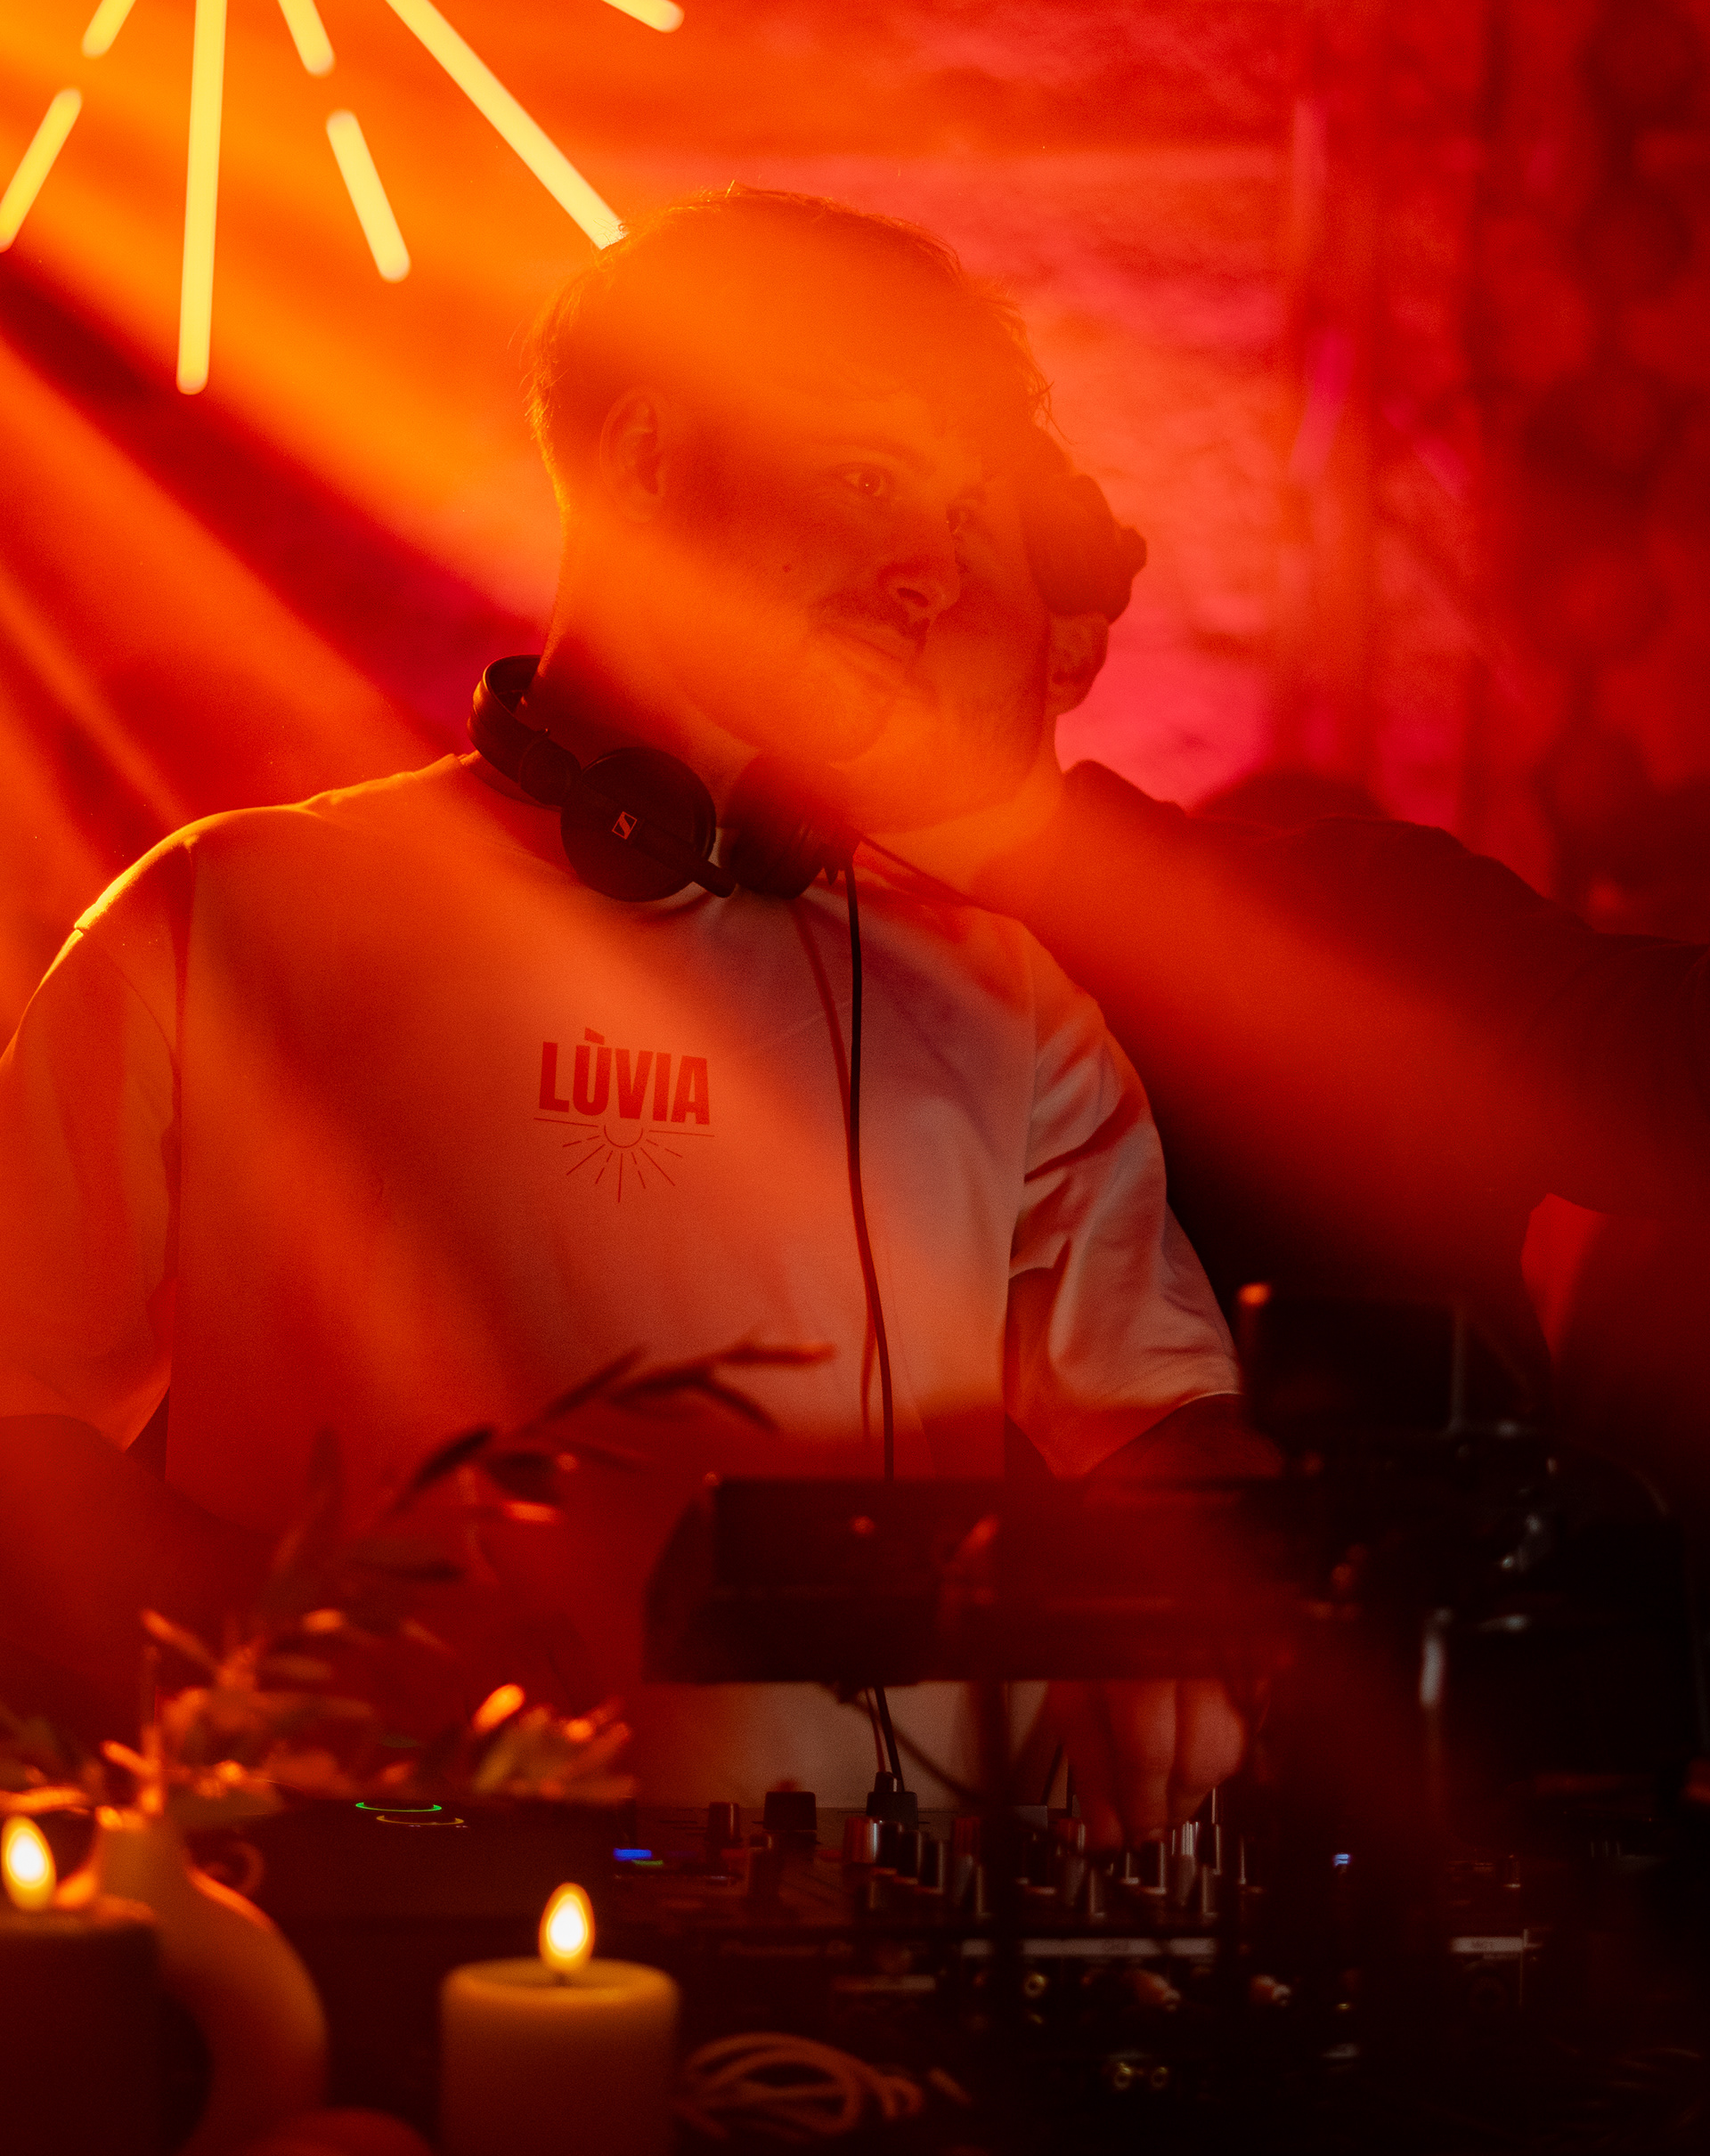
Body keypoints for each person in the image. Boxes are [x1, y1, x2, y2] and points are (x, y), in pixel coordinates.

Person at [0, 190, 1250, 1842]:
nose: (927, 576)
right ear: (648, 461)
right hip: (354, 1924)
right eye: (868, 480)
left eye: (956, 519)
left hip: (868, 1963)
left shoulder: (1005, 1002)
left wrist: (1175, 1614)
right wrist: (311, 1656)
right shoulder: (223, 913)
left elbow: (1171, 1436)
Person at [853, 456, 1710, 1424]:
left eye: (957, 544)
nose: (888, 592)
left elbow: (1671, 1072)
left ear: (1069, 654)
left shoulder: (1356, 930)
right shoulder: (733, 970)